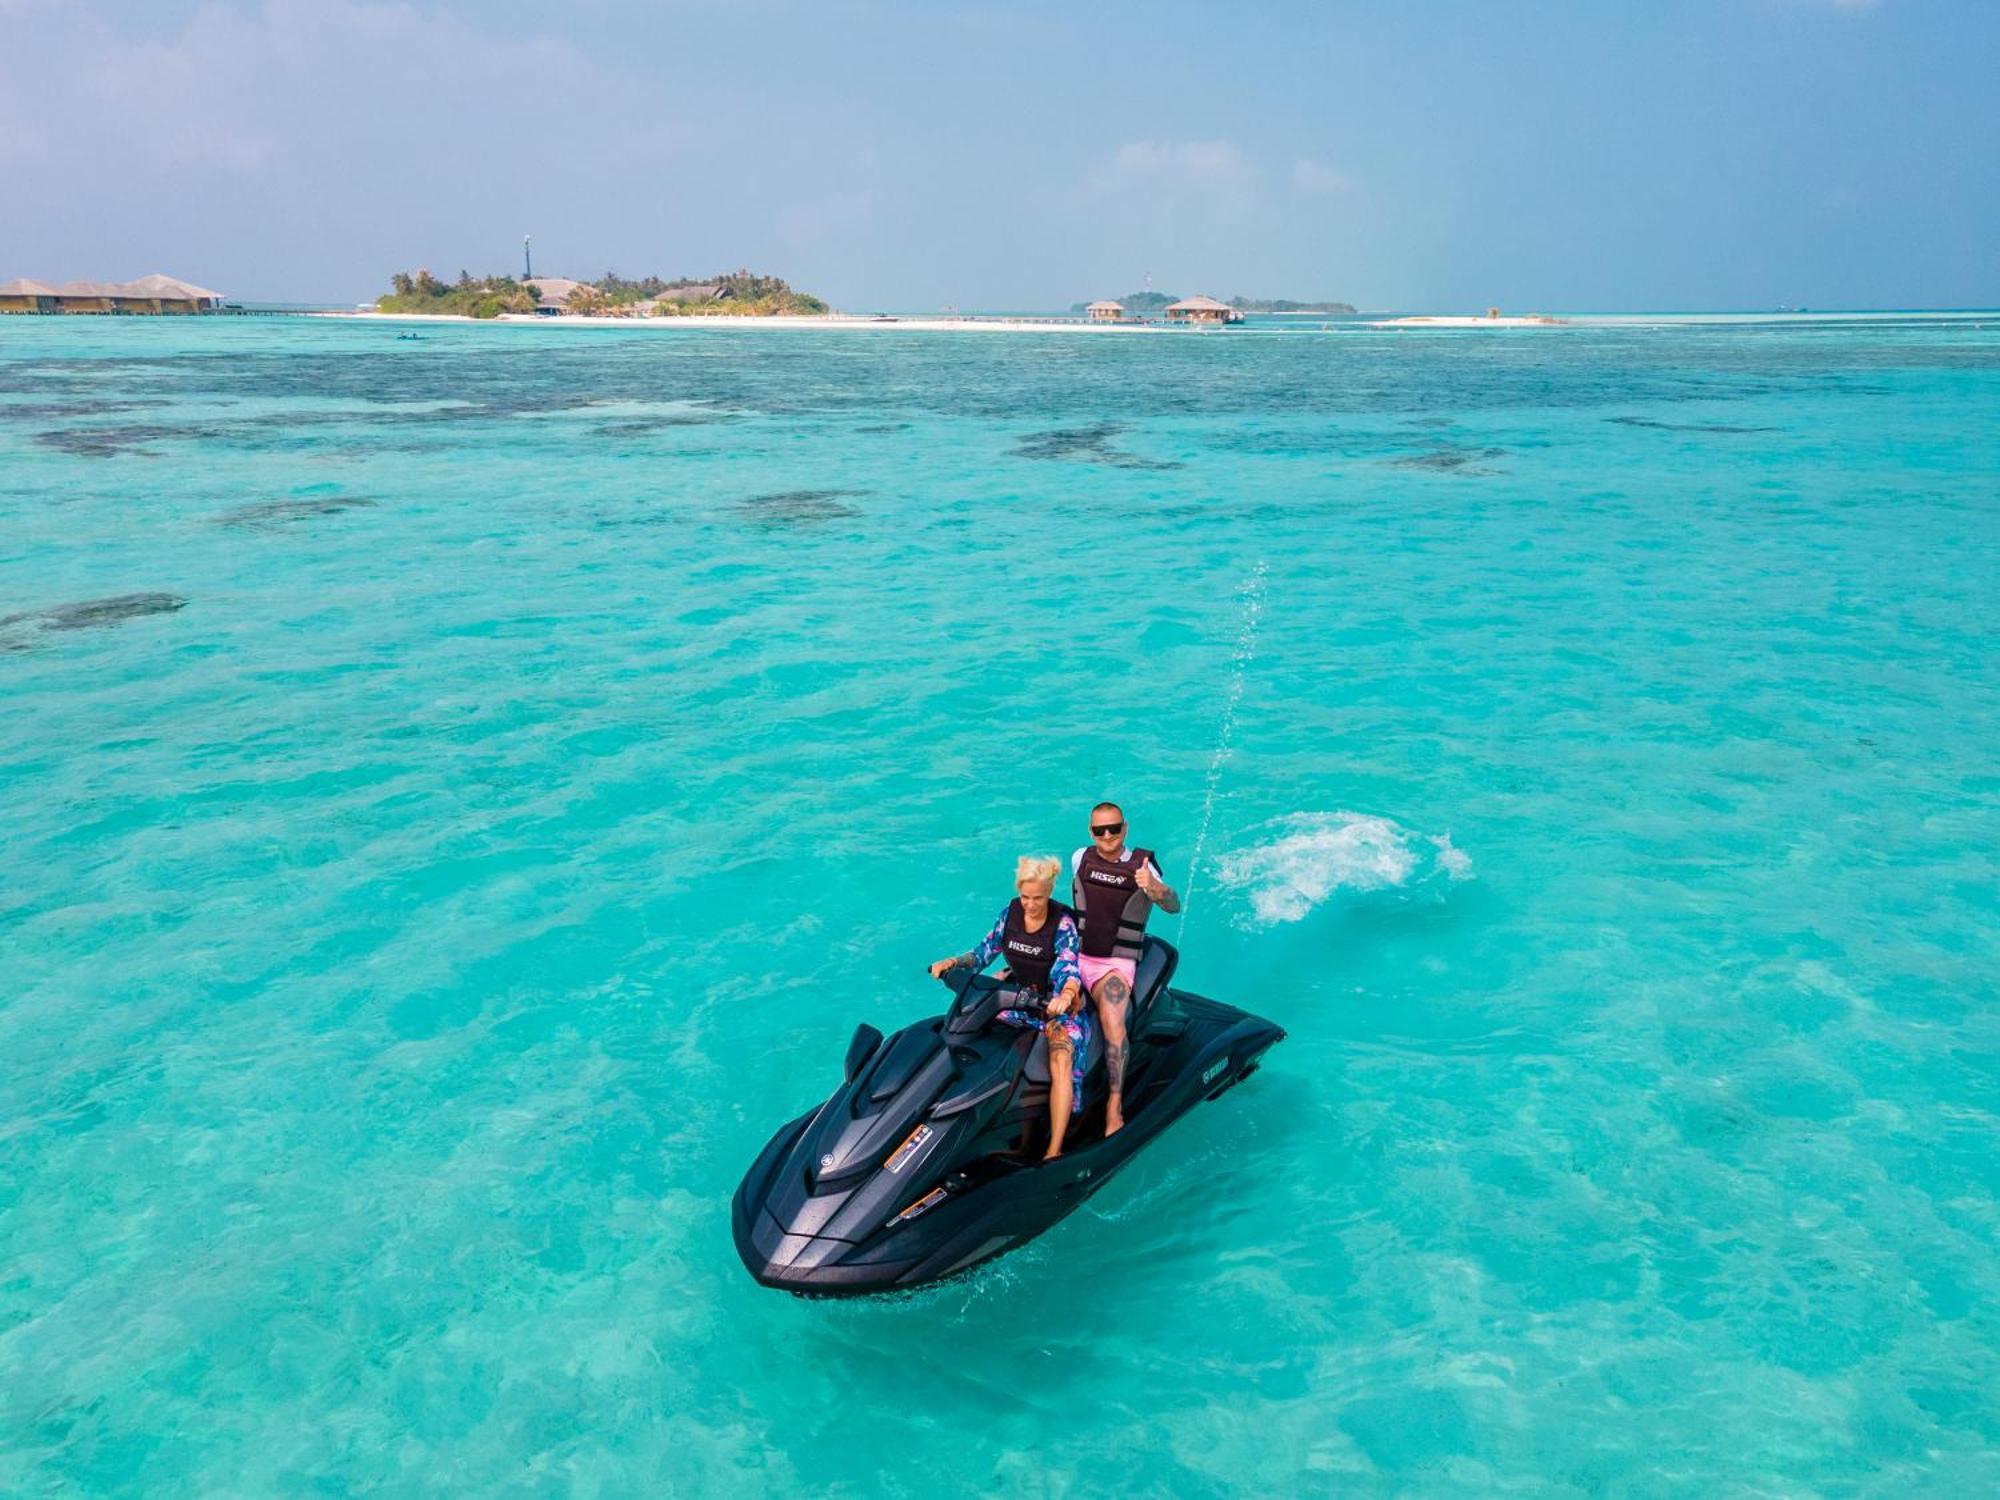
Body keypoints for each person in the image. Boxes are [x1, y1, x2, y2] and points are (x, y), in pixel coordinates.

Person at [929, 855, 1092, 1159]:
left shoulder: (1063, 924)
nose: (1030, 905)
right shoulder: (1010, 915)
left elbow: (1070, 971)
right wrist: (953, 962)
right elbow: (982, 953)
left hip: (1055, 1007)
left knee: (1061, 1056)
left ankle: (1055, 1148)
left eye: (1038, 898)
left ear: (1050, 892)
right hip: (1015, 1000)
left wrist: (1066, 996)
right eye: (1025, 897)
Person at [1070, 801, 1180, 1136]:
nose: (1107, 836)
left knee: (1112, 1024)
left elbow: (1173, 906)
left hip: (1114, 964)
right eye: (1099, 830)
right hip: (1076, 955)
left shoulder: (1144, 864)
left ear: (1125, 828)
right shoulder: (1079, 857)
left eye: (1114, 828)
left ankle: (1114, 1106)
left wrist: (1155, 887)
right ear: (1091, 832)